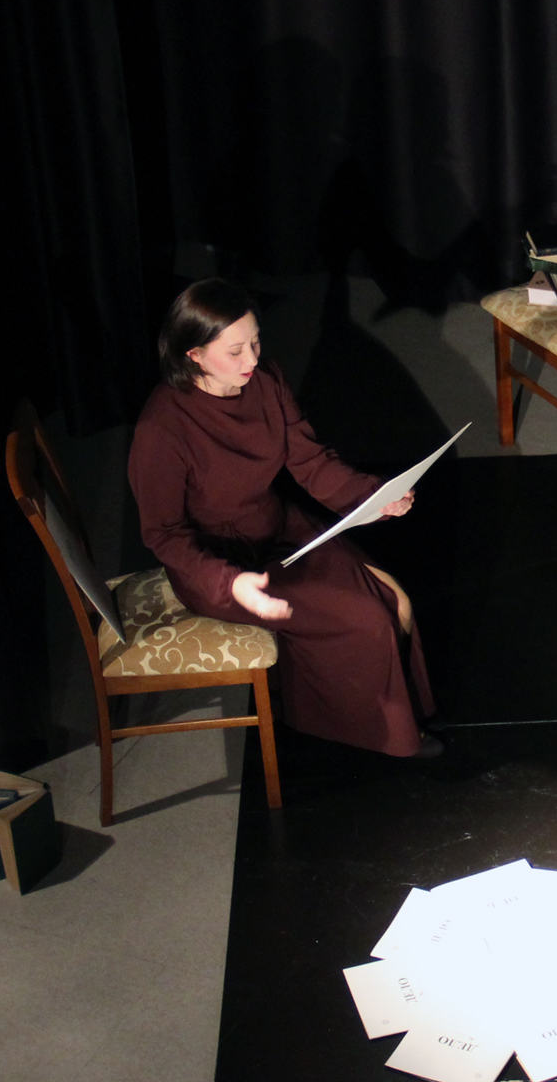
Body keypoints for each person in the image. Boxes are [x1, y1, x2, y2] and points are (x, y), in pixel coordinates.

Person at [128, 279, 439, 758]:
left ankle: (380, 713)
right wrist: (231, 583)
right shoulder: (161, 429)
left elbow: (310, 461)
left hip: (276, 528)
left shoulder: (265, 380)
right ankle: (382, 733)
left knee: (395, 601)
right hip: (220, 568)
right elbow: (164, 535)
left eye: (255, 342)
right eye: (235, 351)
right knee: (368, 620)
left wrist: (373, 496)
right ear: (194, 355)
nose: (252, 359)